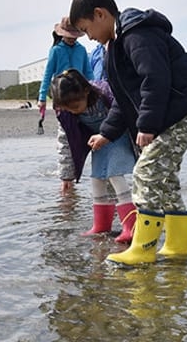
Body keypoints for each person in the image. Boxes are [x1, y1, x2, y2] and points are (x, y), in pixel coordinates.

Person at [69, 0, 187, 266]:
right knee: (165, 178)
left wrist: (146, 125)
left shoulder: (137, 35)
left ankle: (143, 248)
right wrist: (106, 134)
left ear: (100, 14)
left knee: (146, 173)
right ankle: (176, 246)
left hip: (179, 111)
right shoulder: (114, 48)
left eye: (87, 29)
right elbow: (123, 102)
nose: (89, 37)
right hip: (166, 114)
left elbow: (155, 80)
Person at [50, 69, 137, 243]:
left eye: (75, 107)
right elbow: (65, 142)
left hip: (117, 136)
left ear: (86, 91)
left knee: (114, 174)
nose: (73, 112)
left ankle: (131, 226)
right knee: (97, 177)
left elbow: (126, 112)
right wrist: (66, 175)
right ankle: (101, 225)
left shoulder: (105, 93)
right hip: (97, 140)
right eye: (68, 109)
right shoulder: (66, 112)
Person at [37, 17, 94, 110]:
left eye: (74, 36)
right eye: (69, 36)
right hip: (60, 94)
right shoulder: (56, 50)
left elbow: (88, 72)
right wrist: (42, 98)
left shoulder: (81, 49)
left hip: (78, 93)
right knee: (64, 123)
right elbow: (48, 74)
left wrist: (96, 88)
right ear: (62, 34)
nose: (72, 38)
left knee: (82, 123)